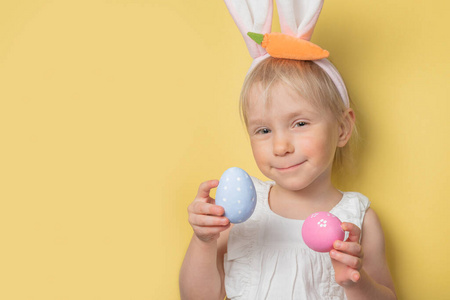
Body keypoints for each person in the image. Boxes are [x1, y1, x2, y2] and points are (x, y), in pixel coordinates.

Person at [180, 1, 397, 299]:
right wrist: (204, 241)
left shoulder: (358, 219)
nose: (280, 146)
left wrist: (355, 282)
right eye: (264, 130)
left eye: (300, 123)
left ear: (342, 129)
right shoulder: (239, 214)